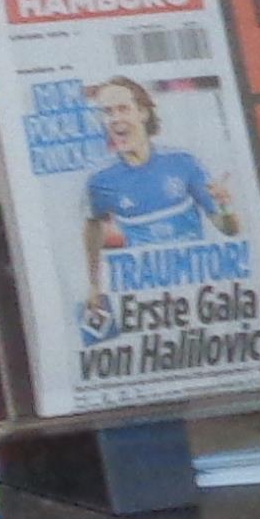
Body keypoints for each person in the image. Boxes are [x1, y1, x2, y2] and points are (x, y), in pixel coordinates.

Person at [71, 74, 239, 338]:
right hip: (145, 300)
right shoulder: (100, 181)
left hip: (197, 291)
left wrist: (225, 206)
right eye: (107, 112)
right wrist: (93, 284)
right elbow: (92, 227)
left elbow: (229, 229)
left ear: (143, 112)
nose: (115, 118)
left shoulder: (184, 162)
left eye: (123, 108)